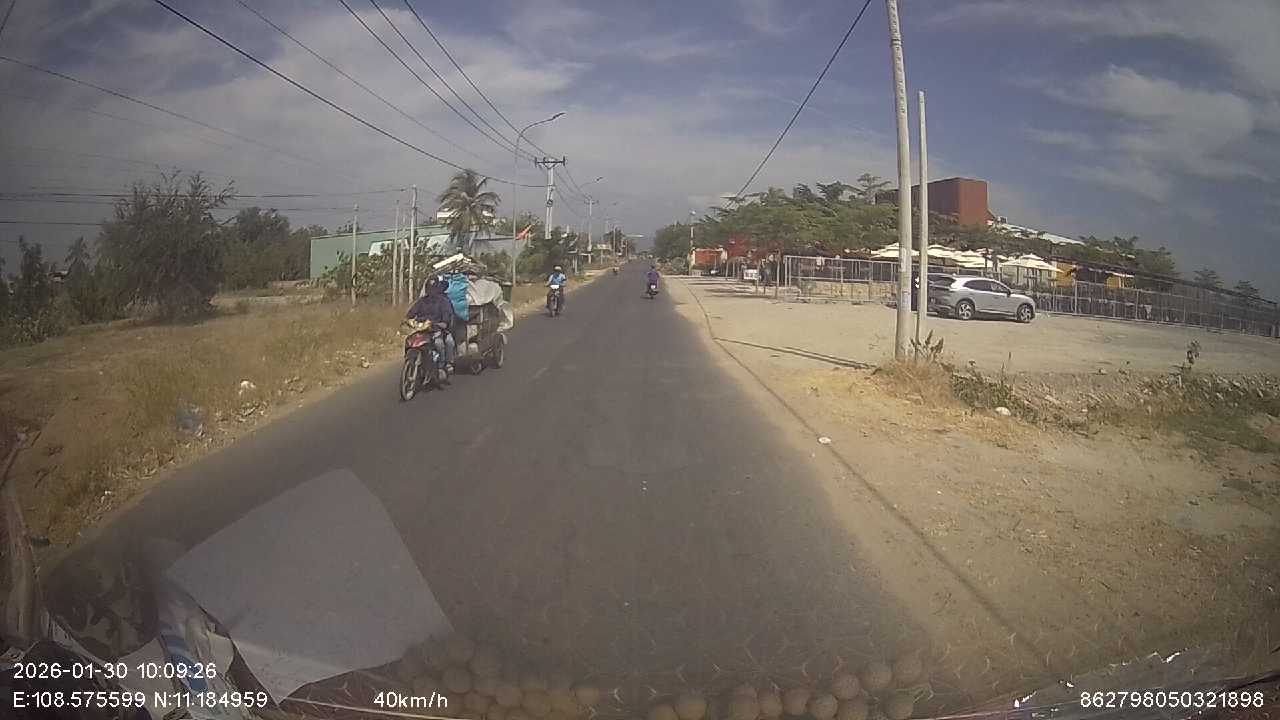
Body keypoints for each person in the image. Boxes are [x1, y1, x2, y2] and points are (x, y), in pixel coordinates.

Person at [405, 276, 456, 376]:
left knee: (439, 343)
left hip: (437, 330)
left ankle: (442, 365)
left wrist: (441, 324)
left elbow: (446, 319)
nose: (431, 291)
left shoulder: (443, 301)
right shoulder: (422, 301)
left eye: (433, 288)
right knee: (409, 340)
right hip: (422, 330)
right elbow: (410, 314)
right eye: (429, 288)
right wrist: (408, 320)